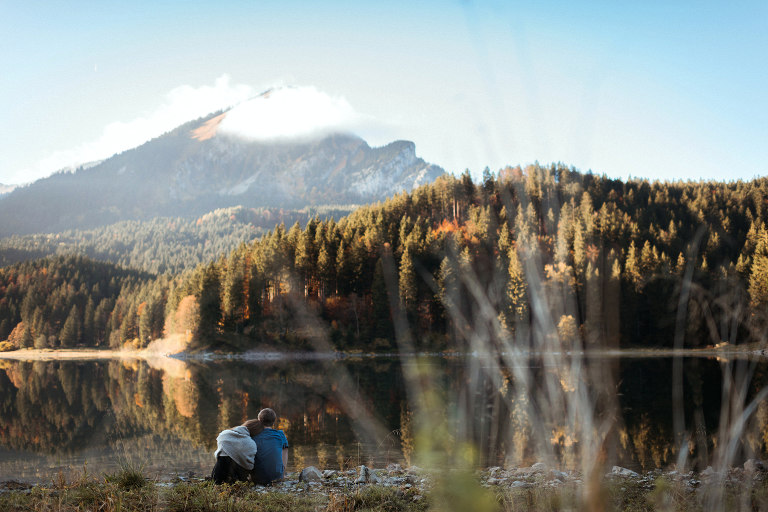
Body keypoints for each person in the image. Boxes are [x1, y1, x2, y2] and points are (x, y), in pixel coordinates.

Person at [211, 419, 261, 484]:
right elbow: (249, 465)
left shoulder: (224, 434)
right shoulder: (251, 444)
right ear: (256, 432)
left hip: (217, 475)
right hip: (237, 479)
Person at [250, 408, 289, 484]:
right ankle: (282, 473)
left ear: (259, 421)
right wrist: (282, 474)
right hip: (277, 476)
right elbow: (285, 453)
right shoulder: (280, 434)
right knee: (285, 449)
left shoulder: (254, 436)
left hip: (258, 478)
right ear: (273, 422)